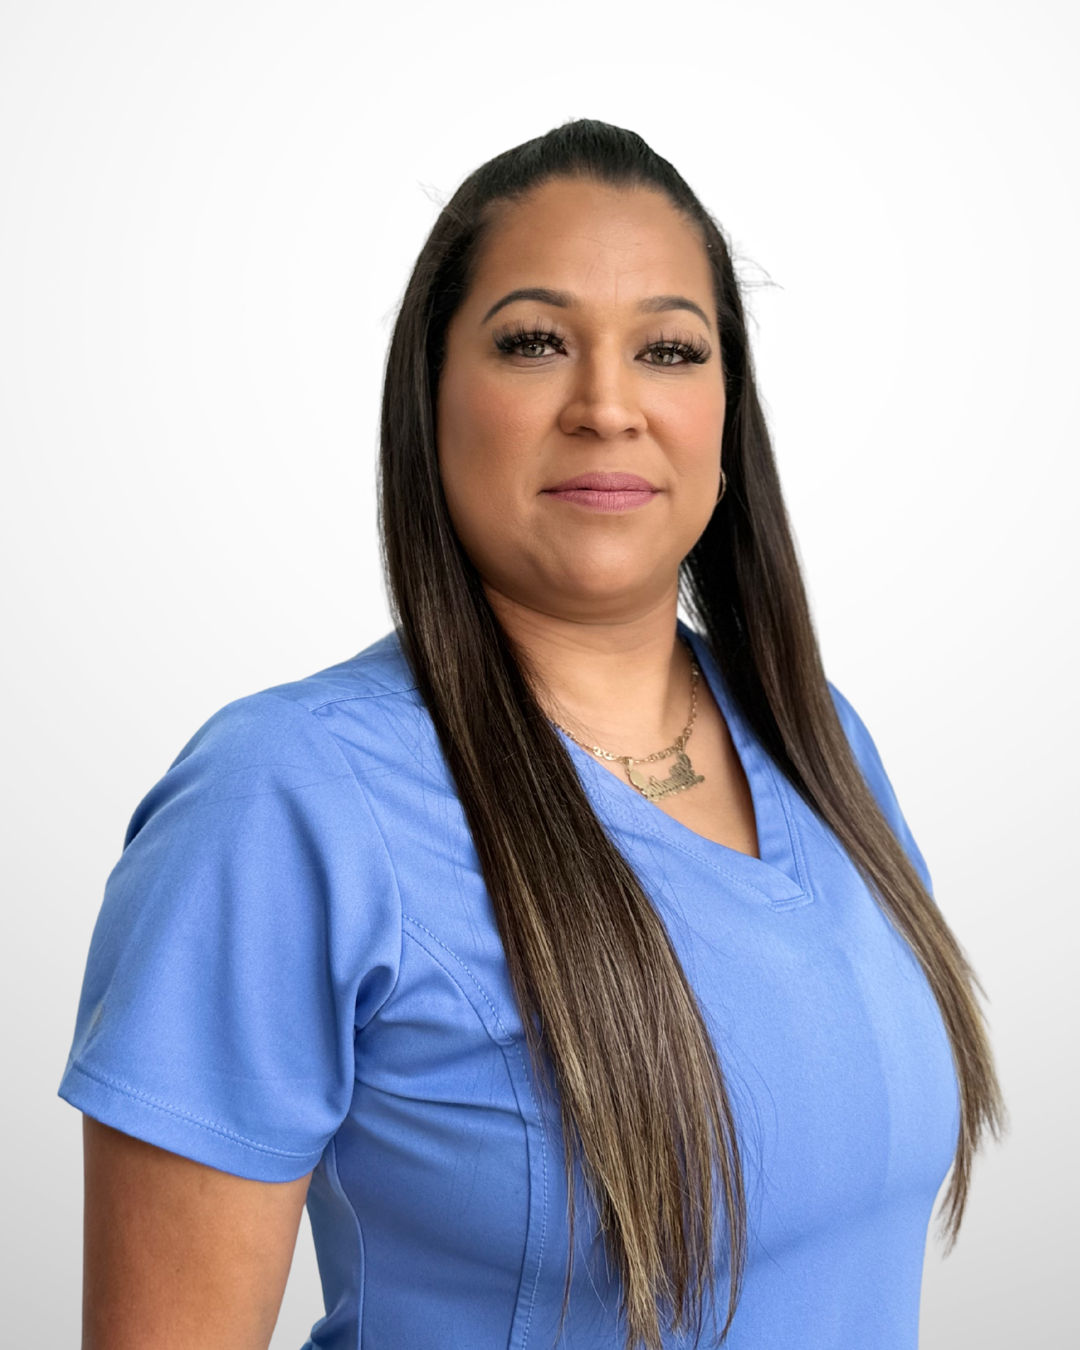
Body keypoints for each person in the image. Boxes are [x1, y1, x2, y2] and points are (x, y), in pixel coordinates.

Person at [60, 120, 1003, 1350]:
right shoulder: (284, 802)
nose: (608, 406)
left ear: (726, 415)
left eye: (668, 348)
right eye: (534, 342)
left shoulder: (820, 739)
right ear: (433, 397)